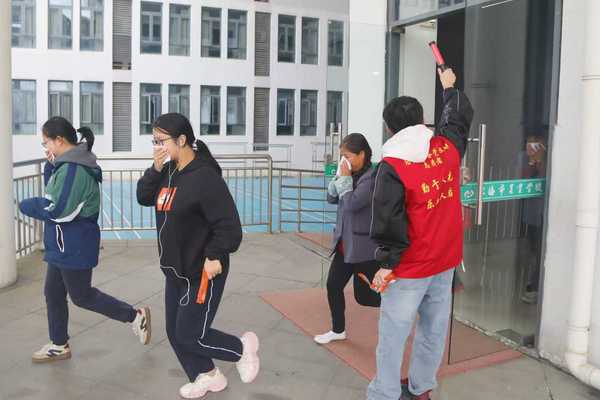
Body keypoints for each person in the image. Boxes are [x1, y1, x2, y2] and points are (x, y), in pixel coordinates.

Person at [367, 68, 474, 400]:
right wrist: (450, 88)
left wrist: (387, 264)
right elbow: (458, 118)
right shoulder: (447, 148)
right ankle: (421, 387)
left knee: (393, 336)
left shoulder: (392, 166)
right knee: (433, 330)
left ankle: (384, 393)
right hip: (445, 261)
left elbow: (388, 221)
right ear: (421, 120)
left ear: (389, 127)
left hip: (410, 269)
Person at [136, 113, 259, 399]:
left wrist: (215, 255)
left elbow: (229, 226)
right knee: (175, 332)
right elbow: (143, 196)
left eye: (161, 141)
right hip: (175, 270)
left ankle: (242, 349)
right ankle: (207, 375)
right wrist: (155, 169)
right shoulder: (168, 171)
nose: (158, 147)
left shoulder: (204, 177)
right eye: (155, 141)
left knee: (190, 334)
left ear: (181, 140)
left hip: (202, 270)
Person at [19, 117, 151, 363]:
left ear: (59, 140)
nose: (45, 147)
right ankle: (59, 344)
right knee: (53, 293)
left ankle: (135, 316)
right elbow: (55, 193)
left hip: (74, 245)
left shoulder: (74, 169)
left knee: (82, 296)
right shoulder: (66, 165)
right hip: (62, 244)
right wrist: (51, 166)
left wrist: (26, 205)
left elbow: (58, 210)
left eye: (46, 142)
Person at [314, 133, 381, 345]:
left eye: (348, 156)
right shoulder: (349, 174)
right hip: (345, 247)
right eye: (342, 156)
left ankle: (405, 306)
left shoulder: (370, 179)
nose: (344, 160)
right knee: (333, 286)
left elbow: (352, 203)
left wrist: (344, 179)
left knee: (367, 296)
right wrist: (339, 178)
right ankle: (338, 330)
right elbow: (331, 198)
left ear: (362, 154)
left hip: (363, 249)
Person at [520, 135, 546, 304]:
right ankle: (532, 283)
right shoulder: (524, 158)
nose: (532, 148)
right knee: (532, 249)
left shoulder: (547, 160)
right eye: (530, 144)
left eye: (536, 145)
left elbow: (545, 177)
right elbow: (523, 180)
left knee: (539, 251)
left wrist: (541, 160)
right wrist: (531, 161)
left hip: (542, 213)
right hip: (531, 215)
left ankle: (535, 286)